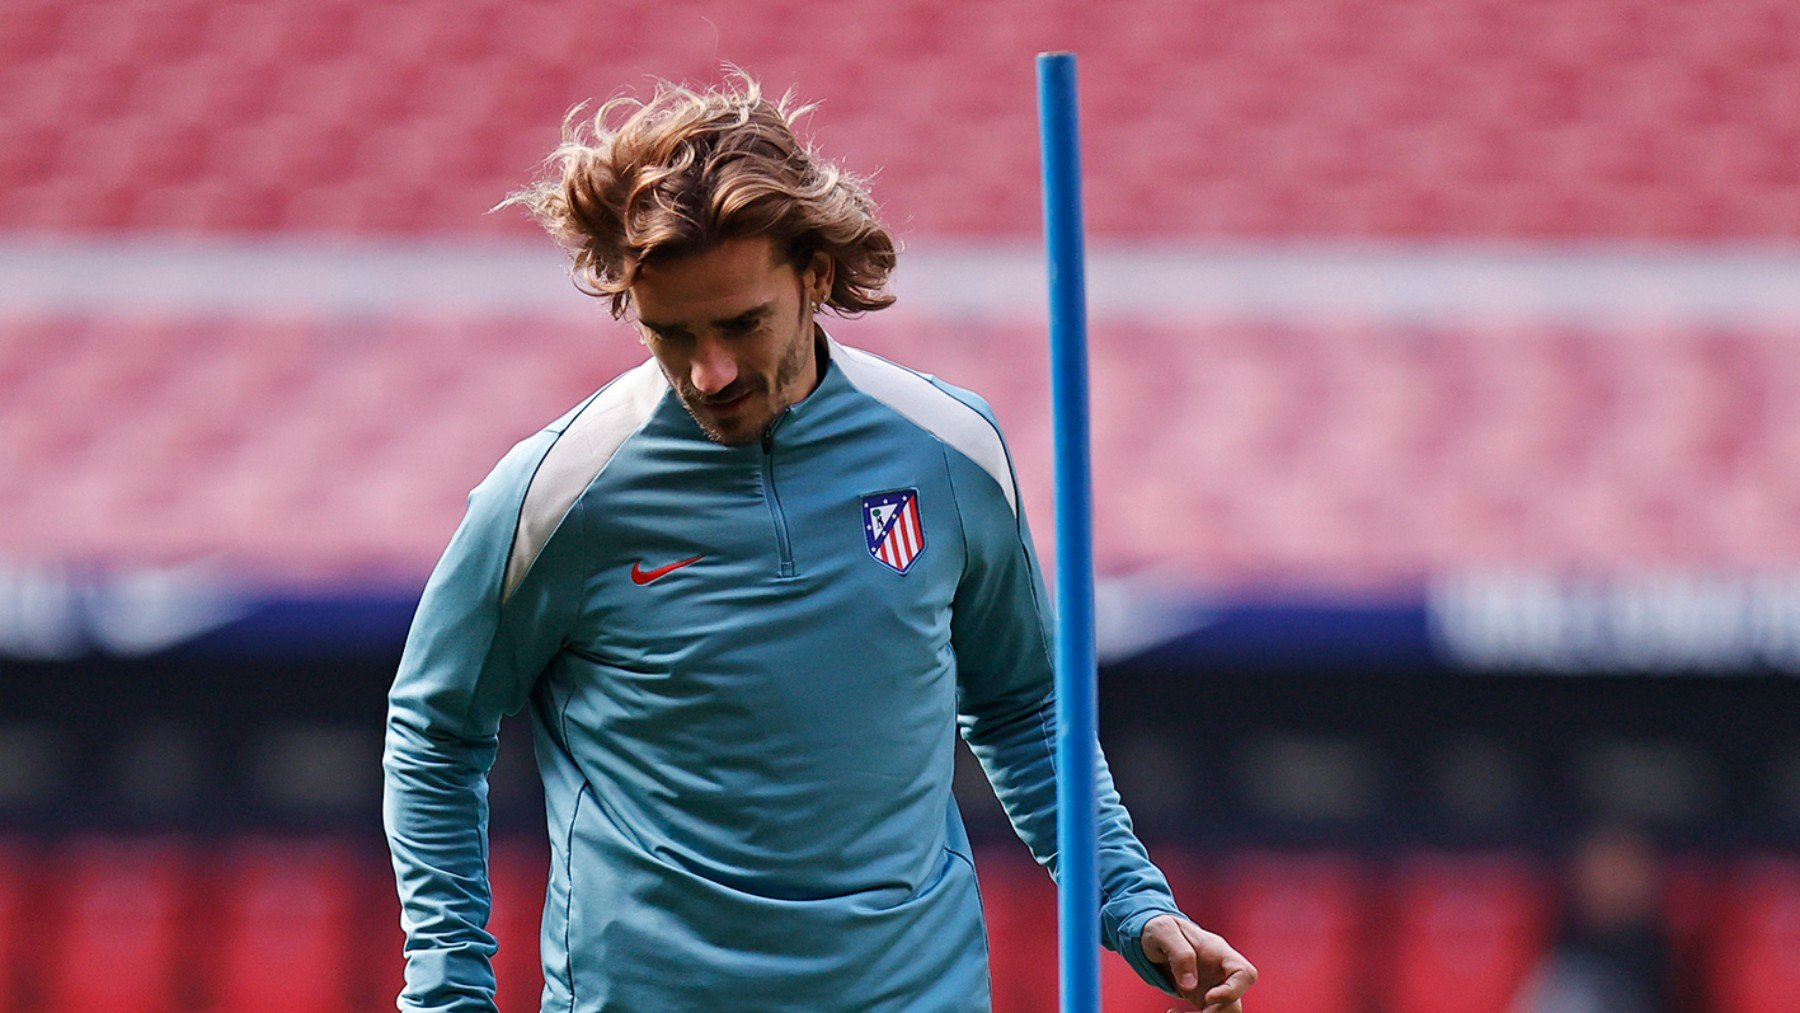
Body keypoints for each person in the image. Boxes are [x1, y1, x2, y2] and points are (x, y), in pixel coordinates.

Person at [382, 73, 1255, 1012]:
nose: (707, 372)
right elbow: (435, 731)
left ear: (817, 278)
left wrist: (1128, 898)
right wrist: (447, 988)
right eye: (669, 334)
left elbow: (1022, 707)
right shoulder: (555, 492)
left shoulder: (951, 449)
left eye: (740, 324)